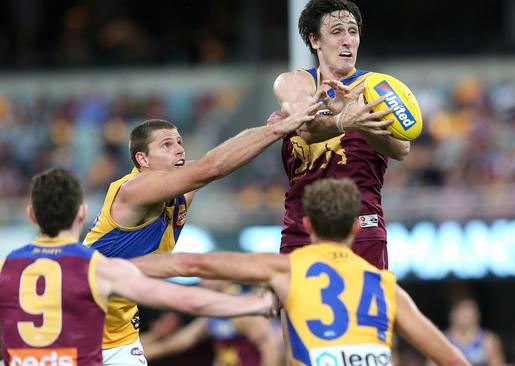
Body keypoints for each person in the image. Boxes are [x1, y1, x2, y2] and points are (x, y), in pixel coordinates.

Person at [133, 178, 470, 366]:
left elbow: (193, 263)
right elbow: (454, 361)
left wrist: (113, 267)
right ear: (356, 226)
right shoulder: (387, 288)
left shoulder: (287, 270)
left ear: (307, 225)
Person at [83, 102, 319, 364]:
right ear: (143, 160)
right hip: (81, 322)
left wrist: (269, 131)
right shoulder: (133, 190)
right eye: (166, 145)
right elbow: (213, 166)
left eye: (179, 142)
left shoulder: (181, 192)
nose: (179, 149)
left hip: (121, 333)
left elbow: (221, 159)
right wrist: (275, 131)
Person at [0, 168, 275, 366]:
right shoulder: (99, 268)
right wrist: (254, 304)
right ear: (81, 213)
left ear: (32, 215)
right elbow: (187, 299)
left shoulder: (6, 267)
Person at [272, 0, 411, 270]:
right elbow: (305, 128)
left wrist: (358, 120)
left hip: (362, 223)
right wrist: (344, 119)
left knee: (366, 313)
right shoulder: (295, 83)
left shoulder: (379, 89)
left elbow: (401, 149)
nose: (347, 40)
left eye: (353, 31)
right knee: (298, 313)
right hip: (301, 227)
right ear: (315, 40)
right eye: (337, 31)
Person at [143, 283, 283, 366]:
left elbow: (272, 351)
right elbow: (172, 345)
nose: (202, 281)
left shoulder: (243, 308)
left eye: (206, 275)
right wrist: (130, 354)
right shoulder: (213, 314)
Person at [439, 299, 506, 366]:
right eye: (461, 313)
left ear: (477, 316)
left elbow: (497, 363)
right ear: (452, 315)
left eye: (467, 313)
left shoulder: (488, 340)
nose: (464, 317)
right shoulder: (442, 340)